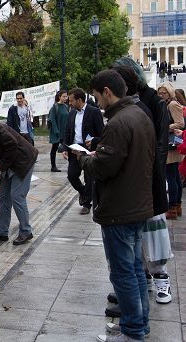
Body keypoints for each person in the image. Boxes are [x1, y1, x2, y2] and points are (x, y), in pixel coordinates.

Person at [78, 70, 154, 342]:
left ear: (107, 92)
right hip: (136, 204)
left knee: (124, 274)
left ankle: (133, 332)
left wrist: (84, 159)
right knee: (134, 271)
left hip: (120, 209)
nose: (97, 103)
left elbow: (104, 167)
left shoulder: (119, 122)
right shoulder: (139, 115)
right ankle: (138, 326)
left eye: (97, 97)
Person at [110, 57, 173, 309]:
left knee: (154, 233)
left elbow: (159, 143)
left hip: (149, 179)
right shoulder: (132, 102)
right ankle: (140, 281)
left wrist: (148, 174)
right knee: (135, 237)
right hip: (135, 183)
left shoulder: (154, 102)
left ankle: (161, 279)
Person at [62, 88, 104, 215]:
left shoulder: (94, 112)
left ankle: (86, 204)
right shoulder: (72, 113)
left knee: (89, 178)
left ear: (79, 100)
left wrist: (94, 142)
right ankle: (84, 192)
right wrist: (65, 148)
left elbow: (102, 133)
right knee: (72, 175)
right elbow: (68, 131)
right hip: (74, 149)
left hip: (88, 150)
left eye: (71, 100)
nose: (69, 103)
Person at [157, 81, 185, 219]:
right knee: (174, 177)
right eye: (160, 93)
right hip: (172, 143)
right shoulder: (167, 104)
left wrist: (164, 127)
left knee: (171, 177)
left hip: (172, 144)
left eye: (164, 92)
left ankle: (172, 207)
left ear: (170, 93)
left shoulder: (172, 104)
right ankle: (177, 206)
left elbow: (180, 123)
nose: (161, 95)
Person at [48, 90, 69, 172]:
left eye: (66, 96)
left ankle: (71, 165)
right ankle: (53, 166)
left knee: (68, 148)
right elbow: (52, 120)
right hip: (57, 132)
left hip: (65, 132)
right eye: (64, 96)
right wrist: (56, 131)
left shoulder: (66, 106)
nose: (65, 98)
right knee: (54, 148)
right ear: (59, 97)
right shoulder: (55, 107)